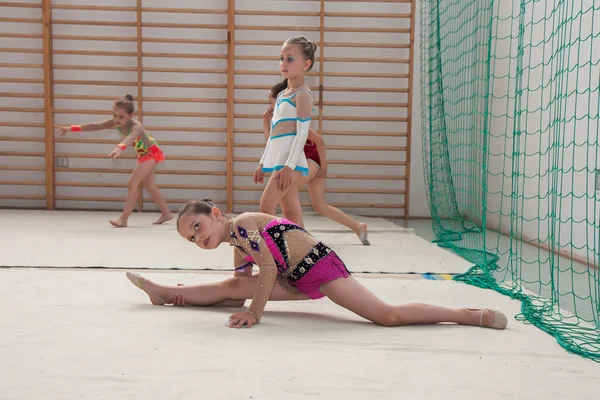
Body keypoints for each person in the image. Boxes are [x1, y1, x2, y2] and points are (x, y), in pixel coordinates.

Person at [125, 198, 508, 331]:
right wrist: (234, 297)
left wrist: (255, 313)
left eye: (197, 226)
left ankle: (466, 314)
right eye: (191, 238)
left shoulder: (241, 226)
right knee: (230, 289)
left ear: (216, 213)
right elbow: (240, 279)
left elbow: (268, 271)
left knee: (385, 315)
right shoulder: (235, 239)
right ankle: (167, 293)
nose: (197, 237)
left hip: (319, 268)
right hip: (296, 276)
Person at [262, 81, 369, 244]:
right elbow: (272, 143)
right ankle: (358, 226)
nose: (271, 106)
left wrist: (323, 167)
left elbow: (320, 141)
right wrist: (265, 123)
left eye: (272, 102)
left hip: (311, 161)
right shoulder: (279, 121)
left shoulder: (294, 121)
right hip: (298, 164)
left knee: (285, 190)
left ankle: (296, 238)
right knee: (319, 206)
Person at [55, 94, 172, 227]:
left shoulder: (136, 125)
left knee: (132, 184)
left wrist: (120, 147)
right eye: (114, 115)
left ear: (130, 115)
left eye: (121, 117)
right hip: (143, 154)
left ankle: (123, 219)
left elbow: (131, 137)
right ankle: (166, 213)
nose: (116, 119)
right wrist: (71, 128)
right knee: (149, 185)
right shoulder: (116, 121)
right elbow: (96, 126)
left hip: (151, 153)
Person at [254, 36, 315, 232]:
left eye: (290, 58)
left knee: (266, 205)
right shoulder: (281, 95)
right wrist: (263, 162)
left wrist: (289, 166)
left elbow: (302, 135)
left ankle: (275, 250)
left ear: (306, 64)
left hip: (291, 162)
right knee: (291, 212)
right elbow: (274, 136)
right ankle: (307, 254)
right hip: (281, 161)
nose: (283, 63)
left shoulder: (303, 95)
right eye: (281, 58)